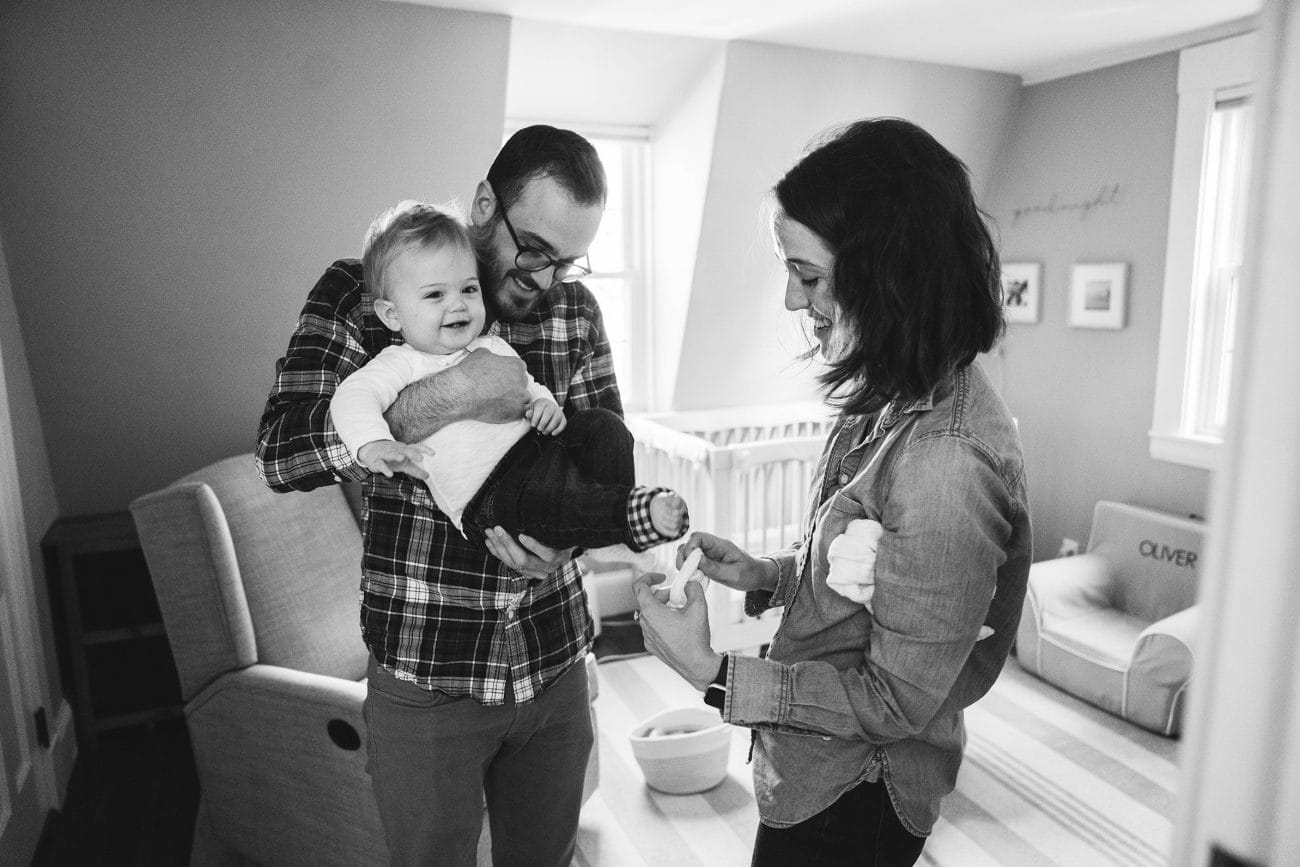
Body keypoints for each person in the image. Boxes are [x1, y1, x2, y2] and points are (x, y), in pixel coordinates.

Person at [632, 117, 1032, 866]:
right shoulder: (888, 395)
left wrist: (714, 674)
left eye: (808, 276)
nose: (791, 300)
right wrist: (767, 573)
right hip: (811, 764)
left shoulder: (948, 462)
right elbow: (863, 577)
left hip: (860, 789)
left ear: (890, 274)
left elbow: (895, 701)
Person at [256, 125, 642, 866]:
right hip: (429, 676)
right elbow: (279, 451)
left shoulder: (574, 312)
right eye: (532, 249)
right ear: (484, 202)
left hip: (556, 659)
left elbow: (604, 458)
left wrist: (569, 540)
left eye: (566, 261)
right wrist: (446, 395)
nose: (544, 278)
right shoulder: (365, 292)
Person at [329, 199, 687, 555]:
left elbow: (529, 387)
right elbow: (352, 397)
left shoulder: (493, 346)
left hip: (539, 457)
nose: (458, 304)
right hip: (489, 498)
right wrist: (372, 444)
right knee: (546, 498)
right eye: (436, 295)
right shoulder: (402, 363)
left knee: (603, 426)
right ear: (392, 314)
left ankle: (615, 519)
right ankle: (628, 516)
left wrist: (545, 404)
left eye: (468, 289)